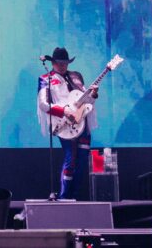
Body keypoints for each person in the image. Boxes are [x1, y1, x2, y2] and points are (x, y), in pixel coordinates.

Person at [37, 47, 99, 200]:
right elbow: (43, 104)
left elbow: (85, 101)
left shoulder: (76, 76)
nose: (62, 66)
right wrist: (64, 111)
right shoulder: (45, 79)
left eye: (65, 63)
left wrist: (93, 94)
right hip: (64, 124)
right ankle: (64, 197)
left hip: (82, 122)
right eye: (59, 63)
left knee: (83, 161)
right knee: (70, 159)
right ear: (52, 63)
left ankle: (74, 196)